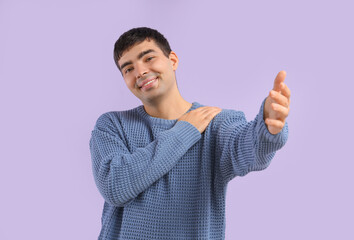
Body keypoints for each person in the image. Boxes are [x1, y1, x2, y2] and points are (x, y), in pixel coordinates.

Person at [89, 27, 291, 240]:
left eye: (148, 58)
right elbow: (115, 187)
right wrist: (185, 130)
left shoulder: (216, 122)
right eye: (128, 69)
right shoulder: (111, 125)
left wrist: (268, 127)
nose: (139, 72)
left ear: (173, 60)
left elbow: (249, 150)